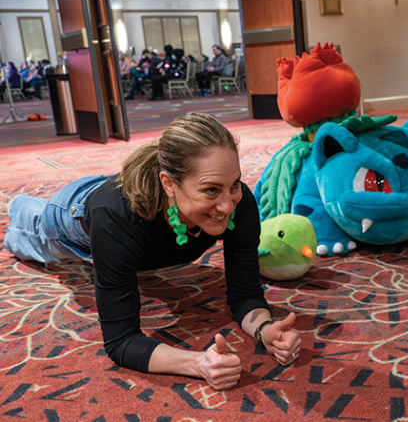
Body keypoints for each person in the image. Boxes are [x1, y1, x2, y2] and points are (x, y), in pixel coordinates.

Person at [4, 113, 301, 390]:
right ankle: (20, 205)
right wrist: (197, 363)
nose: (227, 205)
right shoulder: (114, 217)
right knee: (29, 233)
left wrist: (265, 329)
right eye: (211, 190)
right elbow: (121, 341)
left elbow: (245, 294)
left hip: (136, 195)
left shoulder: (239, 201)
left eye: (233, 184)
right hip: (73, 215)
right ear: (169, 183)